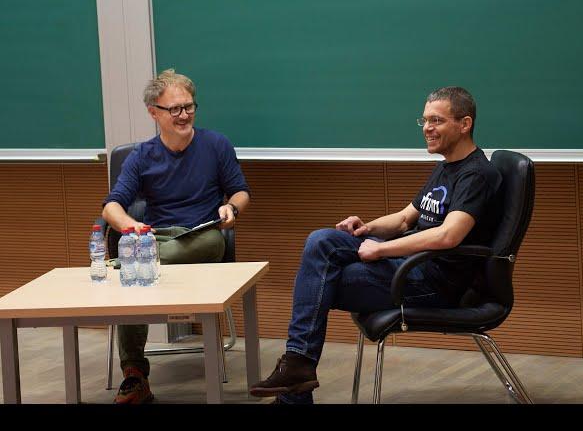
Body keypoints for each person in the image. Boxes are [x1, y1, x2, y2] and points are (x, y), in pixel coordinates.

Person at [249, 86, 502, 404]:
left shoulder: (476, 175)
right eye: (424, 120)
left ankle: (295, 382)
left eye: (436, 120)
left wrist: (381, 249)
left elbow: (448, 236)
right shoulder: (446, 166)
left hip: (434, 282)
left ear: (464, 124)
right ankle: (297, 370)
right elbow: (404, 219)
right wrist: (367, 227)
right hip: (411, 268)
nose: (427, 128)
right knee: (321, 240)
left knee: (319, 283)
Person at [102, 68, 250, 404]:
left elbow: (240, 192)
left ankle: (126, 264)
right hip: (157, 238)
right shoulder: (142, 156)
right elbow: (112, 206)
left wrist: (232, 209)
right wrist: (130, 227)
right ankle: (135, 376)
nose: (184, 115)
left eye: (189, 107)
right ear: (154, 112)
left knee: (139, 266)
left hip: (201, 236)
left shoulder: (216, 144)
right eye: (175, 109)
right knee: (136, 275)